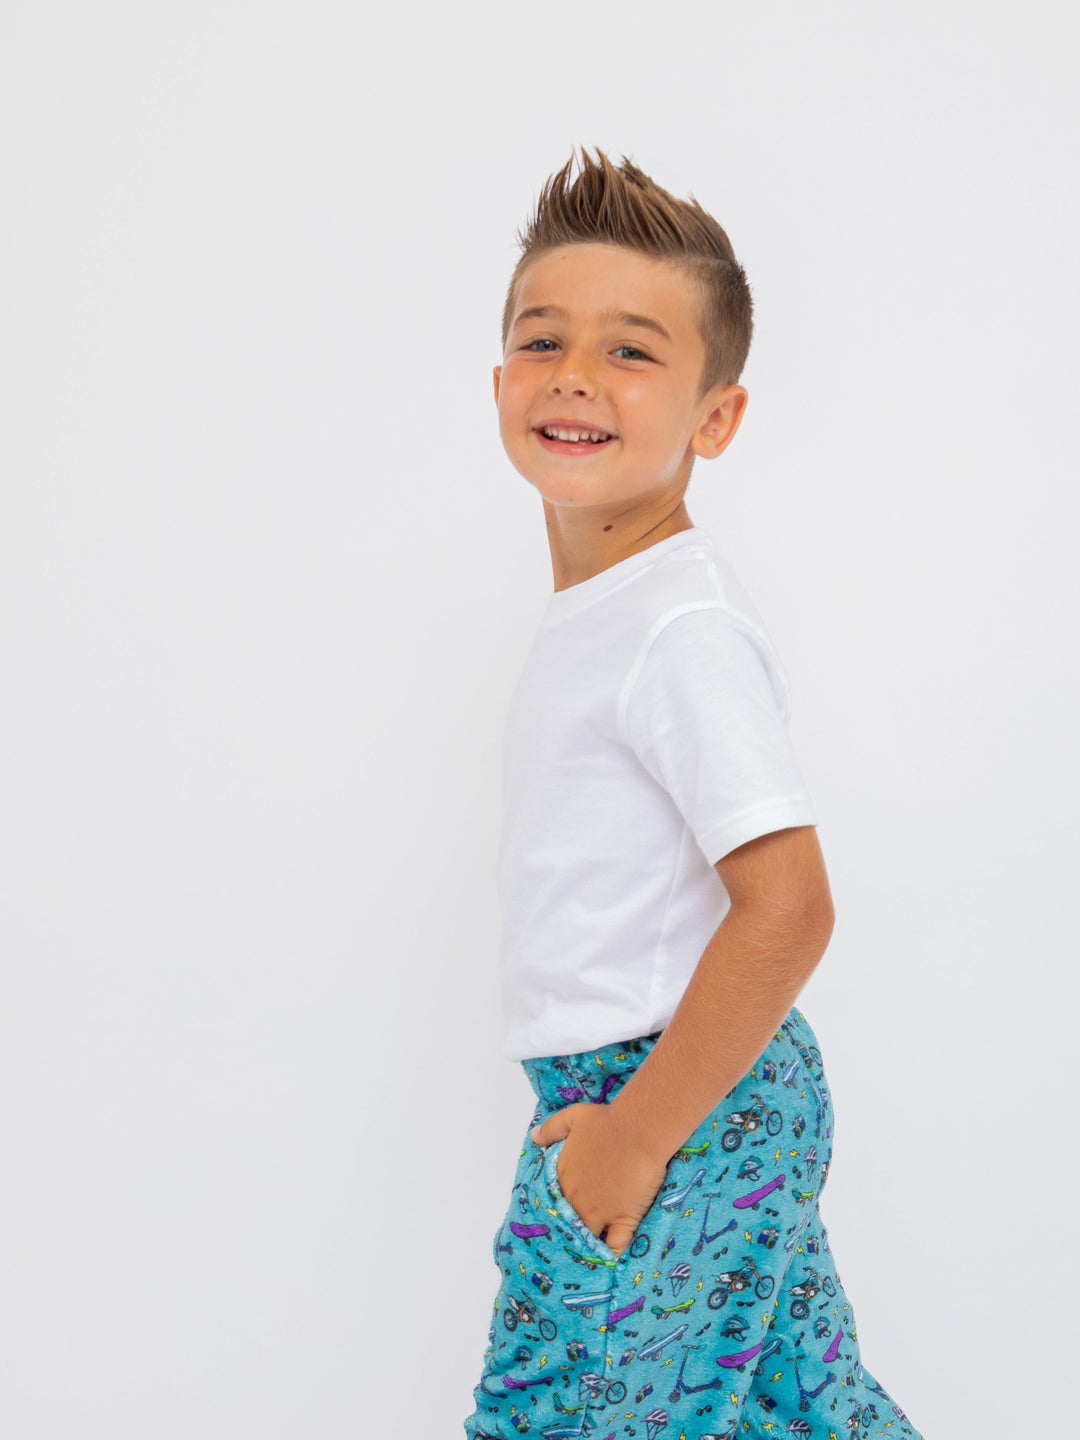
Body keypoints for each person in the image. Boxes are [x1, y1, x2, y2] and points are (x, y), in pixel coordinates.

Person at [463, 149, 921, 1440]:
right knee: (801, 1414)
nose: (575, 374)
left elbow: (789, 905)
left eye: (632, 351)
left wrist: (635, 1138)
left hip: (673, 1095)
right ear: (499, 383)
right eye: (543, 338)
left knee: (563, 1416)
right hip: (693, 1097)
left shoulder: (680, 626)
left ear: (715, 418)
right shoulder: (609, 614)